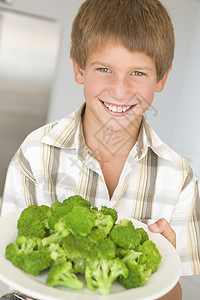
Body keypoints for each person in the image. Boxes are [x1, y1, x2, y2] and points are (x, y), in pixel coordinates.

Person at [1, 0, 200, 299]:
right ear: (79, 69)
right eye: (104, 68)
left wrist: (162, 265)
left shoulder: (181, 177)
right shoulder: (34, 154)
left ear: (162, 77)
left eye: (138, 73)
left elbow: (175, 293)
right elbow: (16, 267)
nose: (120, 91)